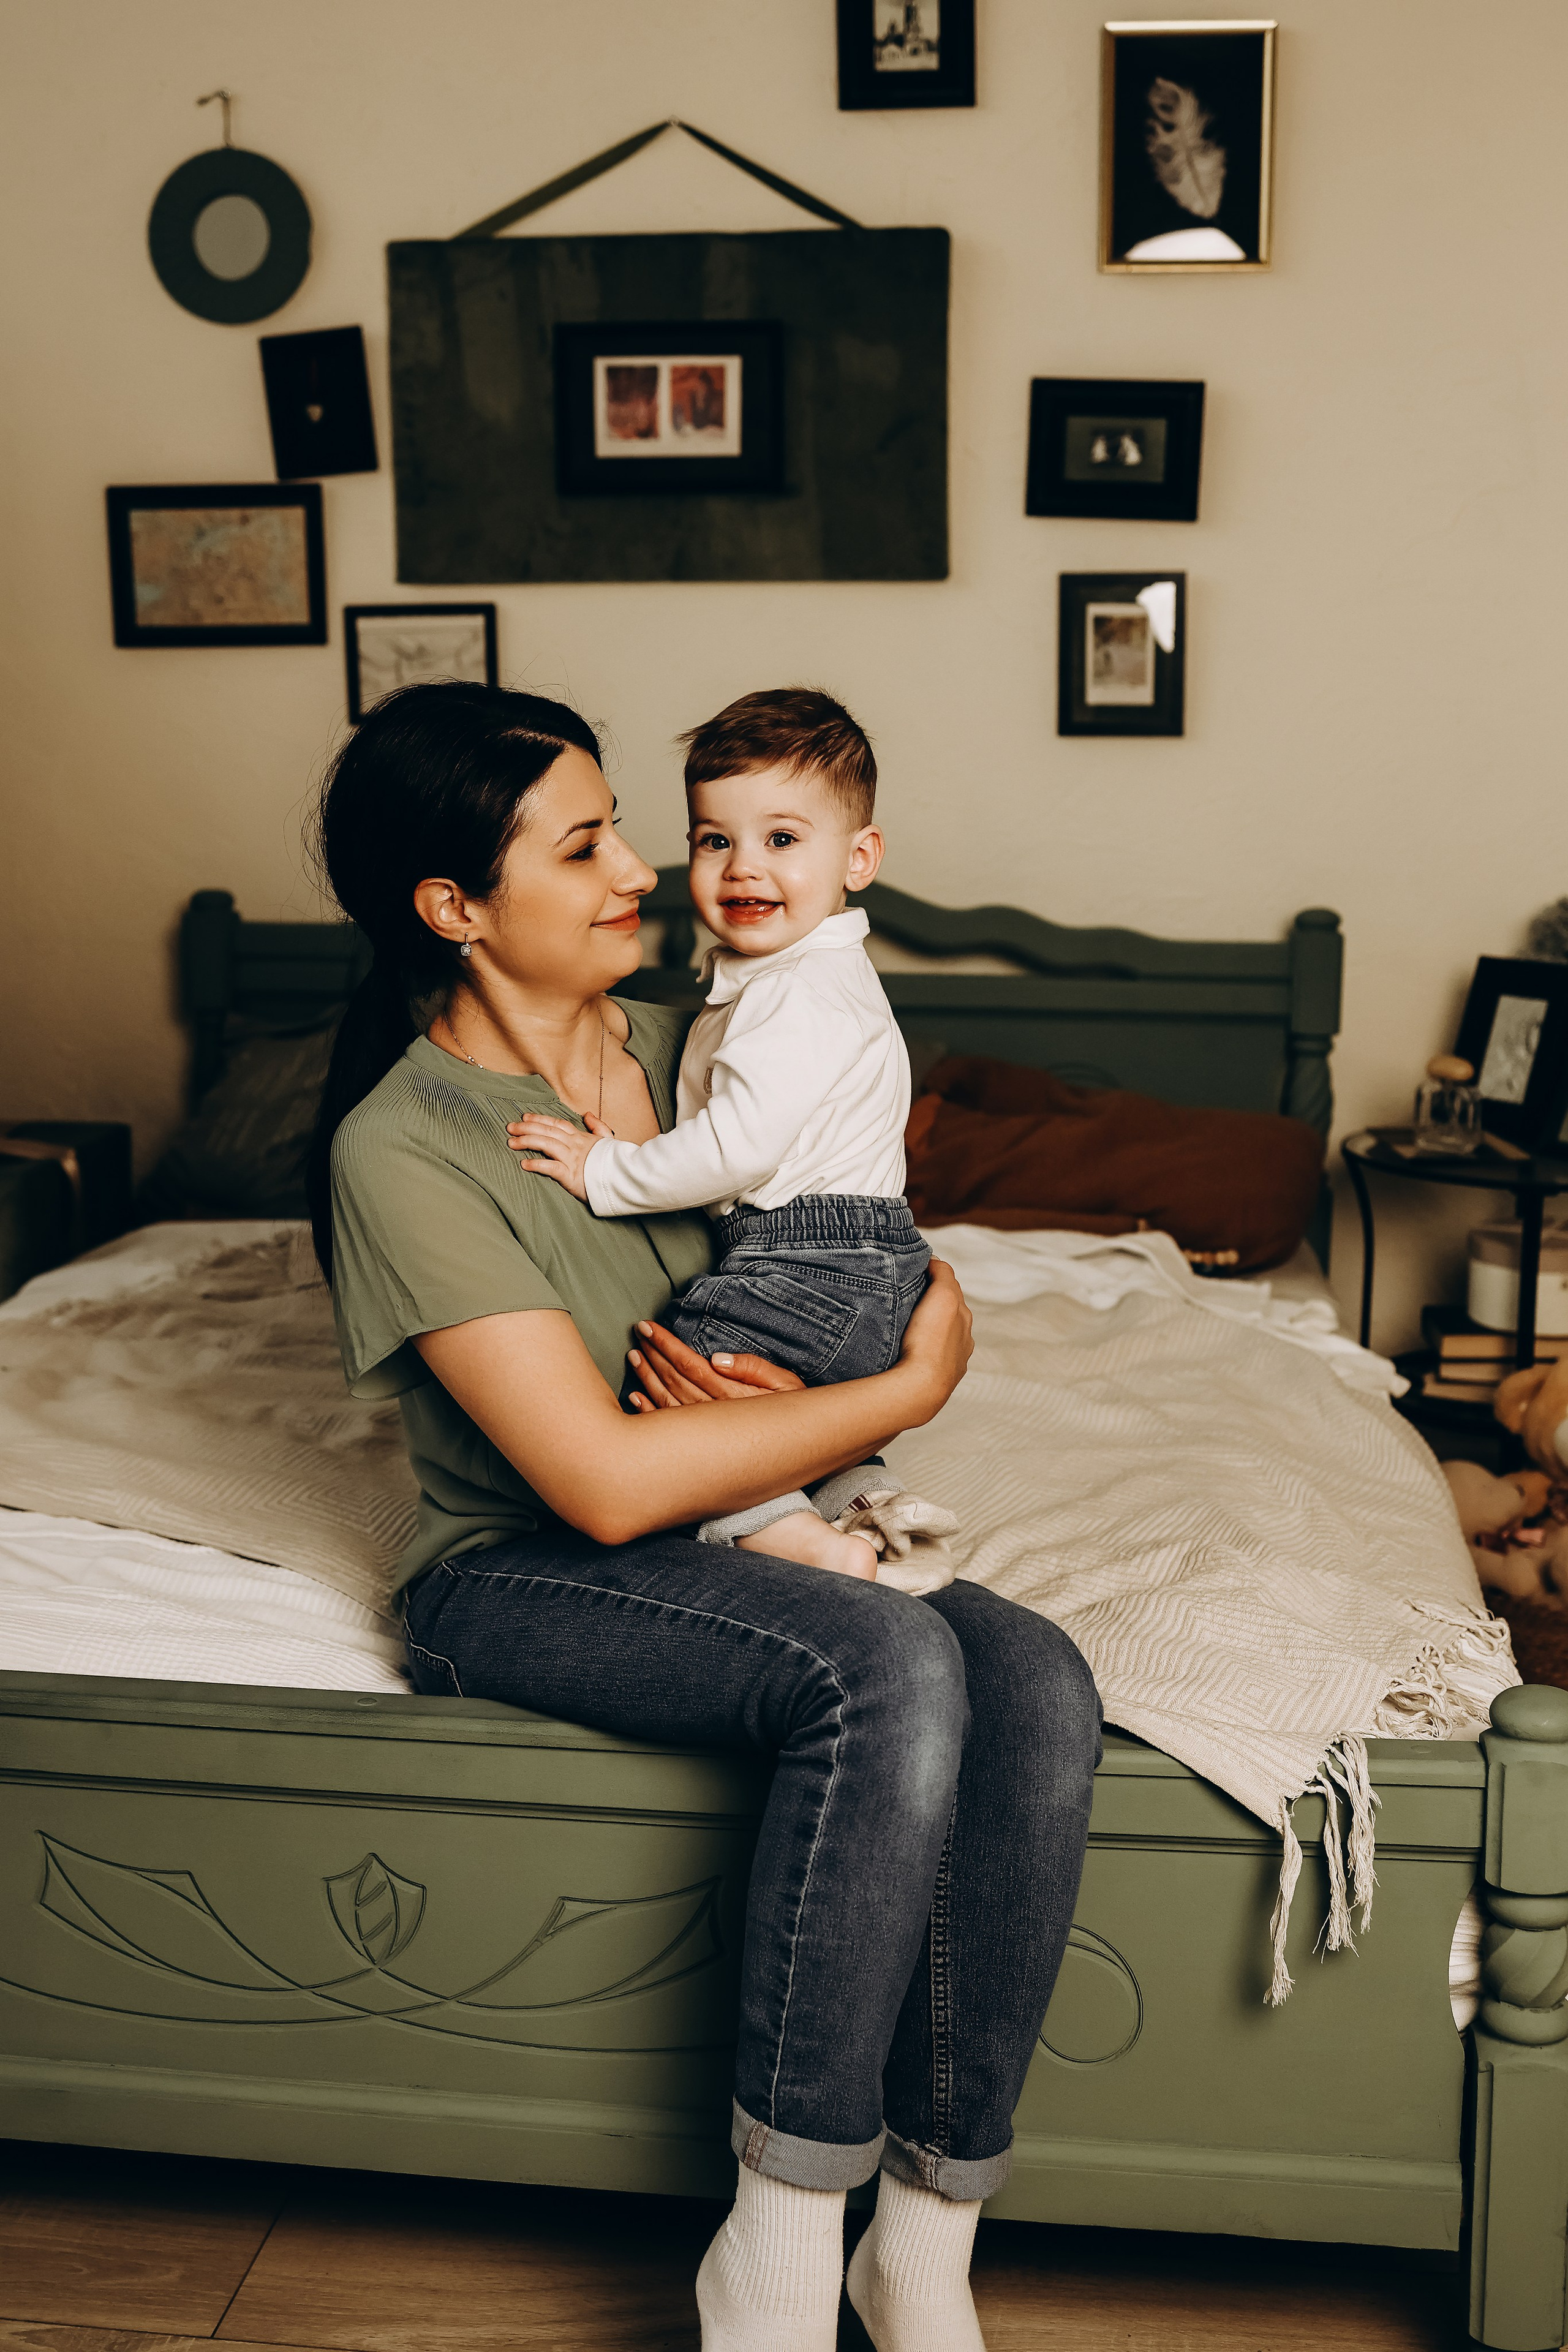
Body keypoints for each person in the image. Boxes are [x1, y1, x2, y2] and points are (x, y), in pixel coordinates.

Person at [306, 681, 1101, 2352]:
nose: (644, 875)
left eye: (624, 834)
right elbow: (600, 1480)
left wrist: (868, 1373)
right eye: (584, 846)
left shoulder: (716, 1032)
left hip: (746, 1514)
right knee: (886, 1665)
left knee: (1034, 1676)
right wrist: (907, 1392)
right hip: (521, 1569)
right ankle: (781, 2238)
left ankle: (927, 2240)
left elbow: (857, 1256)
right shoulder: (405, 1146)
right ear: (454, 908)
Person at [503, 687, 957, 1593]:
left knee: (672, 1401)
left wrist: (610, 1170)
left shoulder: (794, 995)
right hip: (859, 1268)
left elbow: (735, 1151)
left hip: (810, 1263)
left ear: (859, 858)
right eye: (715, 840)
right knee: (763, 1402)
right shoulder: (793, 976)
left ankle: (798, 1538)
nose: (744, 867)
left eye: (782, 839)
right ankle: (868, 1503)